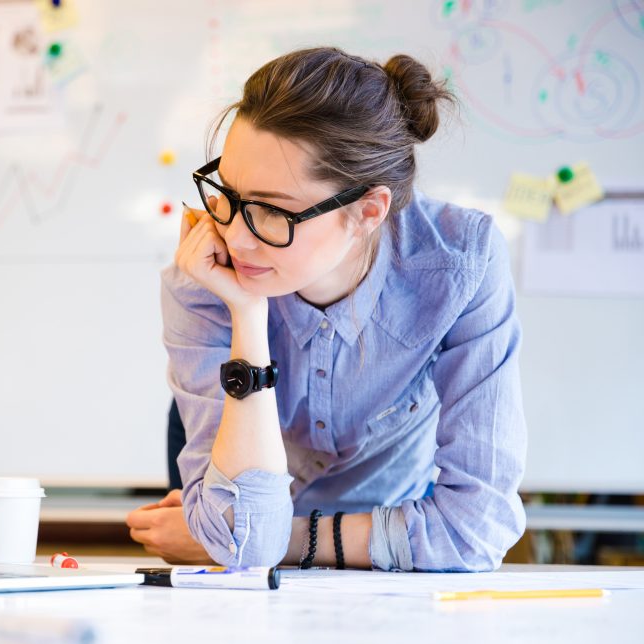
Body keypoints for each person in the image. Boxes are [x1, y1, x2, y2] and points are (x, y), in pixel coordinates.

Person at [125, 47, 526, 572]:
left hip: (394, 536)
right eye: (229, 193)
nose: (237, 238)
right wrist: (247, 315)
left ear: (367, 211)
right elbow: (239, 543)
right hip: (260, 505)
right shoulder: (208, 273)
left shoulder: (458, 264)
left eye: (271, 211)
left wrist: (285, 540)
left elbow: (473, 530)